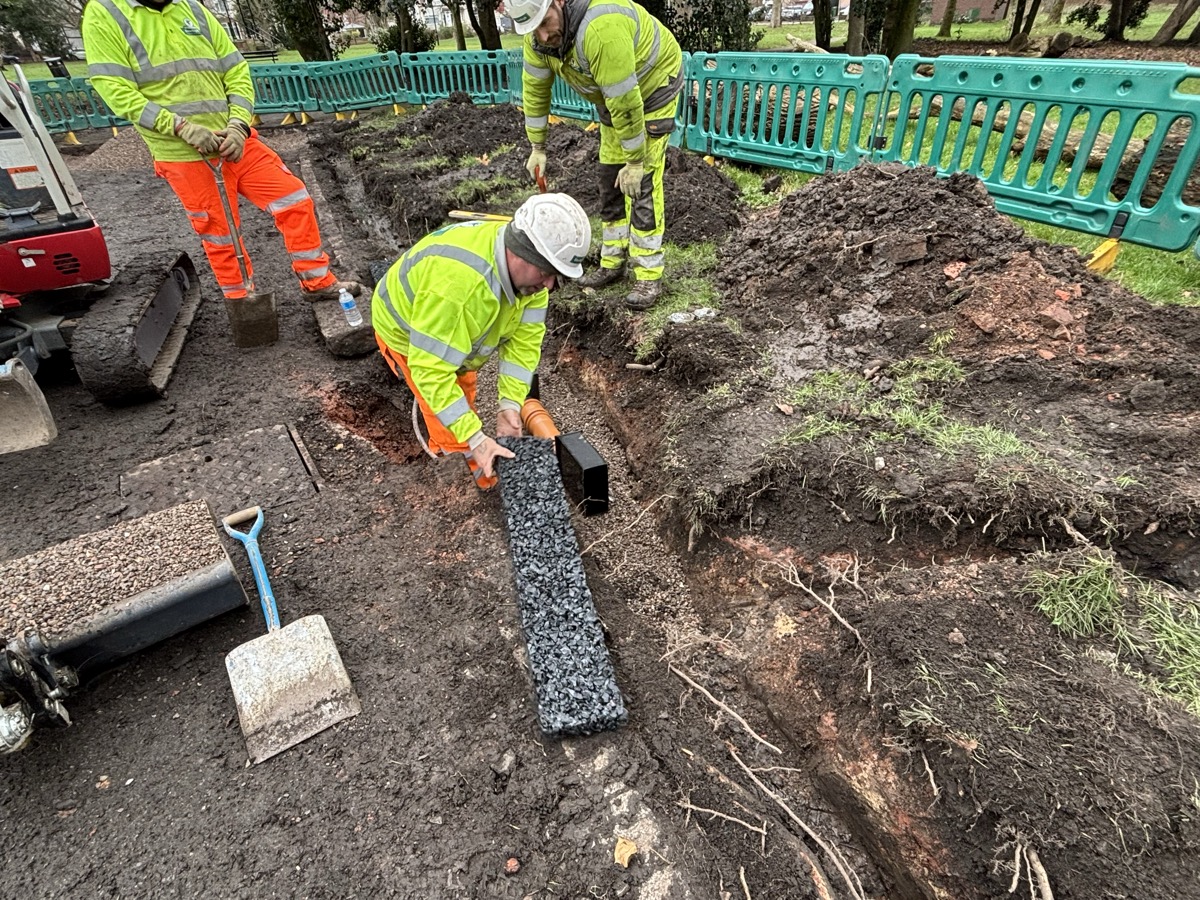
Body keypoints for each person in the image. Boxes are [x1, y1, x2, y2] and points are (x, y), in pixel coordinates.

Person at [82, 0, 362, 345]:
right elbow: (115, 89)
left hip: (235, 142)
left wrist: (239, 124)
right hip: (183, 153)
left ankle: (317, 282)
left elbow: (236, 71)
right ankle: (243, 304)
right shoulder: (107, 12)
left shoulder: (192, 9)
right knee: (221, 234)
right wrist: (179, 126)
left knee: (294, 199)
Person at [372, 193, 591, 490]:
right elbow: (431, 370)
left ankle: (481, 466)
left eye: (557, 277)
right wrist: (475, 438)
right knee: (454, 432)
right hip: (407, 331)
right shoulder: (459, 288)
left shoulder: (533, 281)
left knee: (462, 390)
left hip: (451, 324)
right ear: (522, 252)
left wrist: (510, 406)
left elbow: (523, 345)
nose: (550, 285)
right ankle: (471, 489)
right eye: (546, 273)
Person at [511, 0, 683, 312]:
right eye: (533, 29)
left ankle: (648, 274)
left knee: (641, 182)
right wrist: (537, 147)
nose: (543, 35)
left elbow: (627, 102)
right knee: (609, 176)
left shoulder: (601, 28)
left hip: (653, 85)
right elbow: (535, 93)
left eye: (545, 22)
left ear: (558, 2)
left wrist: (634, 161)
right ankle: (612, 261)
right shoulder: (537, 40)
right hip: (612, 94)